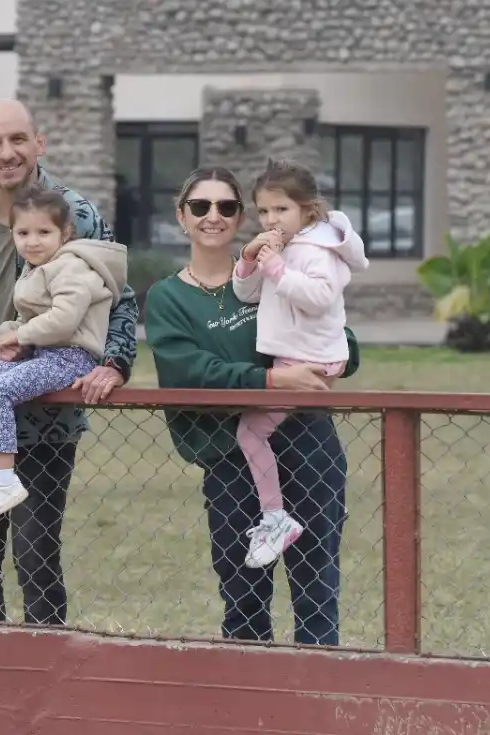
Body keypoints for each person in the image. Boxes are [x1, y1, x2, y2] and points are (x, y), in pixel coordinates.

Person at [0, 98, 138, 626]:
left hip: (47, 415)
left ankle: (44, 692)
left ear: (39, 143)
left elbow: (120, 301)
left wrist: (115, 363)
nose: (6, 152)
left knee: (37, 558)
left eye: (18, 139)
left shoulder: (75, 215)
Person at [144, 165, 358, 645]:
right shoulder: (169, 297)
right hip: (229, 452)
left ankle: (315, 698)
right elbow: (189, 372)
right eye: (200, 206)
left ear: (242, 216)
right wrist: (272, 378)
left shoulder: (274, 273)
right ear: (182, 216)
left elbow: (334, 332)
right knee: (242, 594)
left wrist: (334, 359)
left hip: (307, 442)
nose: (212, 216)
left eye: (226, 206)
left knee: (317, 586)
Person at [0, 186, 128, 523]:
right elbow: (27, 323)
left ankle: (5, 480)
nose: (33, 241)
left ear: (65, 234)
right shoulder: (35, 269)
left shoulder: (71, 268)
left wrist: (22, 334)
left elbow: (63, 321)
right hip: (43, 355)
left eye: (44, 232)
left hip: (70, 357)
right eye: (23, 233)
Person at [233, 159, 368, 569]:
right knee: (255, 433)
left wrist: (276, 265)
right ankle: (290, 513)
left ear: (307, 210)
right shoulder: (286, 246)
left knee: (251, 432)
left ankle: (277, 518)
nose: (272, 219)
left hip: (309, 359)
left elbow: (318, 297)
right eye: (265, 211)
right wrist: (249, 259)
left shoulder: (317, 250)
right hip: (292, 355)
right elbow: (248, 294)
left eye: (281, 210)